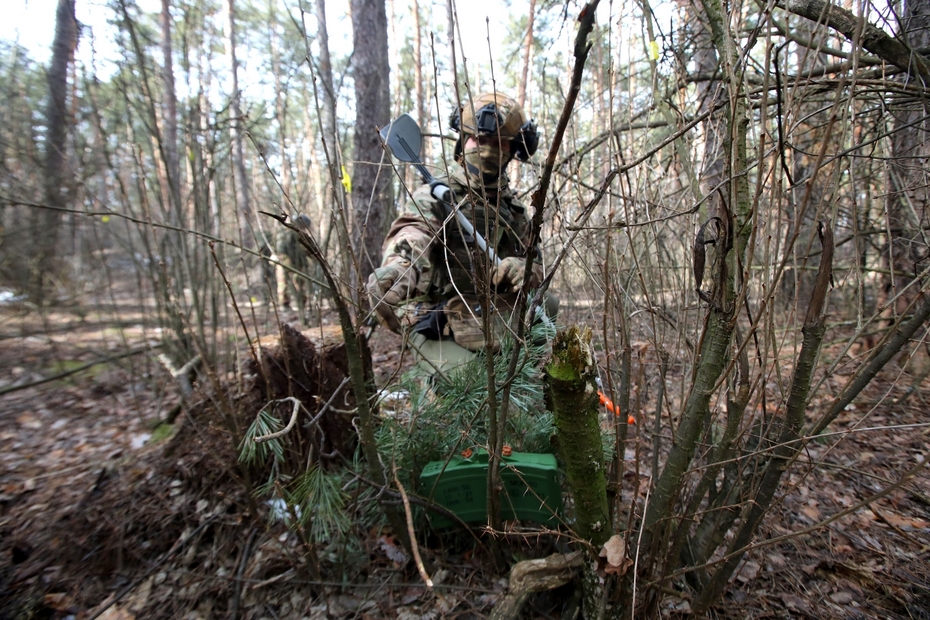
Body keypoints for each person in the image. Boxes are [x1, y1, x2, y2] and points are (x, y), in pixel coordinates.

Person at [366, 92, 557, 374]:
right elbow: (413, 232)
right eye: (479, 140)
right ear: (462, 140)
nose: (489, 150)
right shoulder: (435, 195)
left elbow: (536, 266)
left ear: (513, 151)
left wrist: (524, 270)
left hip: (491, 314)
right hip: (439, 319)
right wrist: (399, 269)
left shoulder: (514, 210)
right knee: (476, 386)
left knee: (548, 306)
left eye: (499, 143)